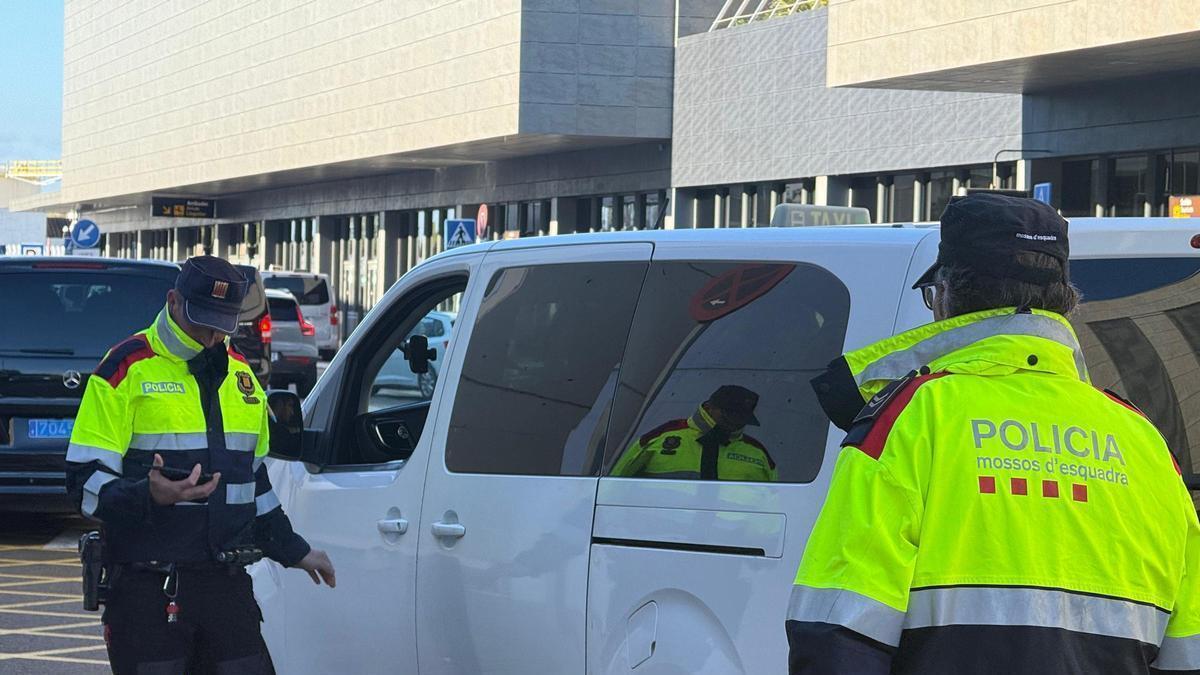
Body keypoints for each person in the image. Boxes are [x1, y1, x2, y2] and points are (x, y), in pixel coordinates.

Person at [786, 193, 1200, 674]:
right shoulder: (1143, 439)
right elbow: (1188, 647)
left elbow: (839, 628)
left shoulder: (912, 417)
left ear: (946, 295)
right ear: (1066, 302)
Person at [66, 256, 336, 674]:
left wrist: (295, 550)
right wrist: (147, 495)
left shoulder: (243, 377)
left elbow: (254, 485)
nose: (211, 336)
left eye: (222, 324)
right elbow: (83, 483)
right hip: (148, 590)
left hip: (225, 586)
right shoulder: (126, 368)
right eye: (201, 321)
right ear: (173, 301)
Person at [611, 385, 777, 481]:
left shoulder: (758, 454)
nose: (735, 422)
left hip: (729, 540)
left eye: (742, 417)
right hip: (658, 536)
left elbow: (776, 504)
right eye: (729, 415)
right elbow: (614, 481)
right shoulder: (663, 436)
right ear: (709, 407)